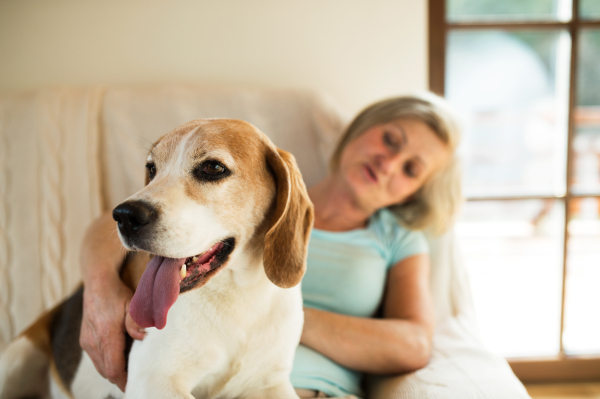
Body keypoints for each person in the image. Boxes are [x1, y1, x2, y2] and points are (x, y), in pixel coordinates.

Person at [79, 93, 462, 398]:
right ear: (359, 130)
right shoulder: (272, 184)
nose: (390, 162)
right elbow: (120, 217)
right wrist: (100, 288)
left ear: (416, 190)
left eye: (411, 168)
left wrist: (266, 316)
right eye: (390, 139)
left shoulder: (399, 238)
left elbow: (413, 344)